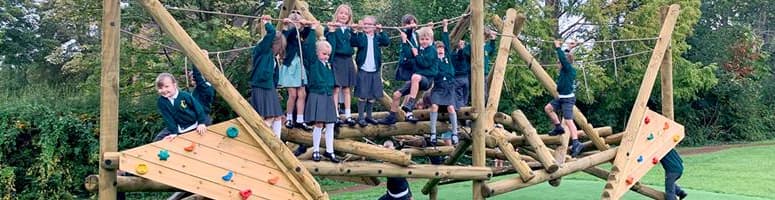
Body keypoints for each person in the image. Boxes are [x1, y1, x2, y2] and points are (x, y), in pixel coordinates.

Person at [378, 18, 437, 125]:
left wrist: (417, 55)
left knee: (415, 76)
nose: (424, 41)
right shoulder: (418, 48)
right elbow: (408, 54)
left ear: (431, 40)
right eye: (422, 39)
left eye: (426, 39)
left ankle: (409, 106)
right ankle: (392, 116)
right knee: (396, 95)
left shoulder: (432, 50)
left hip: (427, 79)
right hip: (418, 78)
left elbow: (425, 64)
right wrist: (405, 41)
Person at [298, 20, 339, 163]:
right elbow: (308, 48)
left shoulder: (328, 64)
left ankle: (330, 151)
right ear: (317, 53)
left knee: (330, 124)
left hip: (327, 96)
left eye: (328, 54)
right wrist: (313, 30)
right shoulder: (313, 62)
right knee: (318, 124)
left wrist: (332, 32)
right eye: (324, 53)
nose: (326, 56)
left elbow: (332, 52)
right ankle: (316, 150)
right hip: (317, 94)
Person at [248, 15, 286, 139]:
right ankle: (262, 137)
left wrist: (275, 89)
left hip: (269, 88)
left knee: (278, 116)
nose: (280, 49)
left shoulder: (273, 57)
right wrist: (267, 23)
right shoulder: (262, 51)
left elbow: (274, 76)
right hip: (261, 86)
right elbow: (271, 33)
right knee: (268, 117)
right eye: (280, 46)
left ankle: (277, 142)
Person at [544, 39, 583, 157]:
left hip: (568, 99)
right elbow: (565, 57)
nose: (557, 64)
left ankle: (576, 143)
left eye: (559, 63)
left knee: (569, 120)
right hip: (561, 98)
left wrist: (557, 47)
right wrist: (569, 49)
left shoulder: (568, 70)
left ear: (564, 63)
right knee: (548, 108)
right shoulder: (564, 69)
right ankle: (558, 127)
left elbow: (563, 59)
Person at [351, 16, 390, 127]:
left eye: (369, 24)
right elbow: (353, 42)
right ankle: (361, 117)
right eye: (365, 23)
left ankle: (369, 116)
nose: (366, 25)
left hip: (374, 69)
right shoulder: (361, 36)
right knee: (363, 94)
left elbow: (386, 42)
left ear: (374, 26)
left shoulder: (377, 38)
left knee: (372, 95)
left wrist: (381, 31)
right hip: (363, 68)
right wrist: (355, 31)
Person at [279, 11, 313, 131]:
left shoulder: (300, 34)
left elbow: (307, 33)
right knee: (293, 94)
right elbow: (287, 35)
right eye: (294, 20)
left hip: (300, 66)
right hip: (290, 66)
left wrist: (307, 25)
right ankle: (289, 118)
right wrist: (293, 25)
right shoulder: (285, 33)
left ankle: (300, 119)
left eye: (297, 19)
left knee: (302, 94)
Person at [428, 19, 460, 145]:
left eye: (441, 48)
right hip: (438, 87)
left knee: (451, 108)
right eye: (438, 48)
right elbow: (429, 46)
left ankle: (455, 132)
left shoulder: (448, 57)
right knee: (434, 106)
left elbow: (446, 41)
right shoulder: (433, 59)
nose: (440, 49)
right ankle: (433, 133)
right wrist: (430, 30)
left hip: (449, 87)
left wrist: (445, 27)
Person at [325, 4, 357, 126]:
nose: (343, 15)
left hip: (348, 60)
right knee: (336, 88)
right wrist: (332, 32)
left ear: (349, 17)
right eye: (341, 13)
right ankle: (335, 114)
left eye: (346, 14)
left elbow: (355, 43)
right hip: (337, 60)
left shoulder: (349, 30)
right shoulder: (330, 28)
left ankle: (348, 115)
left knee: (347, 88)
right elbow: (331, 47)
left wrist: (355, 32)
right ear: (337, 15)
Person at [154, 73, 209, 141]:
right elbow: (168, 118)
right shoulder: (161, 102)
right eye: (160, 88)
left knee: (206, 126)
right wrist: (173, 132)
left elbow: (198, 108)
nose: (164, 90)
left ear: (174, 85)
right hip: (179, 126)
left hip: (194, 122)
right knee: (159, 139)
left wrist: (201, 123)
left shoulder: (185, 96)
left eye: (167, 86)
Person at [188, 50, 215, 123]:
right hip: (193, 118)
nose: (193, 79)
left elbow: (199, 76)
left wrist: (198, 59)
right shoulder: (192, 91)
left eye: (194, 77)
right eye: (191, 77)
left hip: (203, 118)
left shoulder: (206, 87)